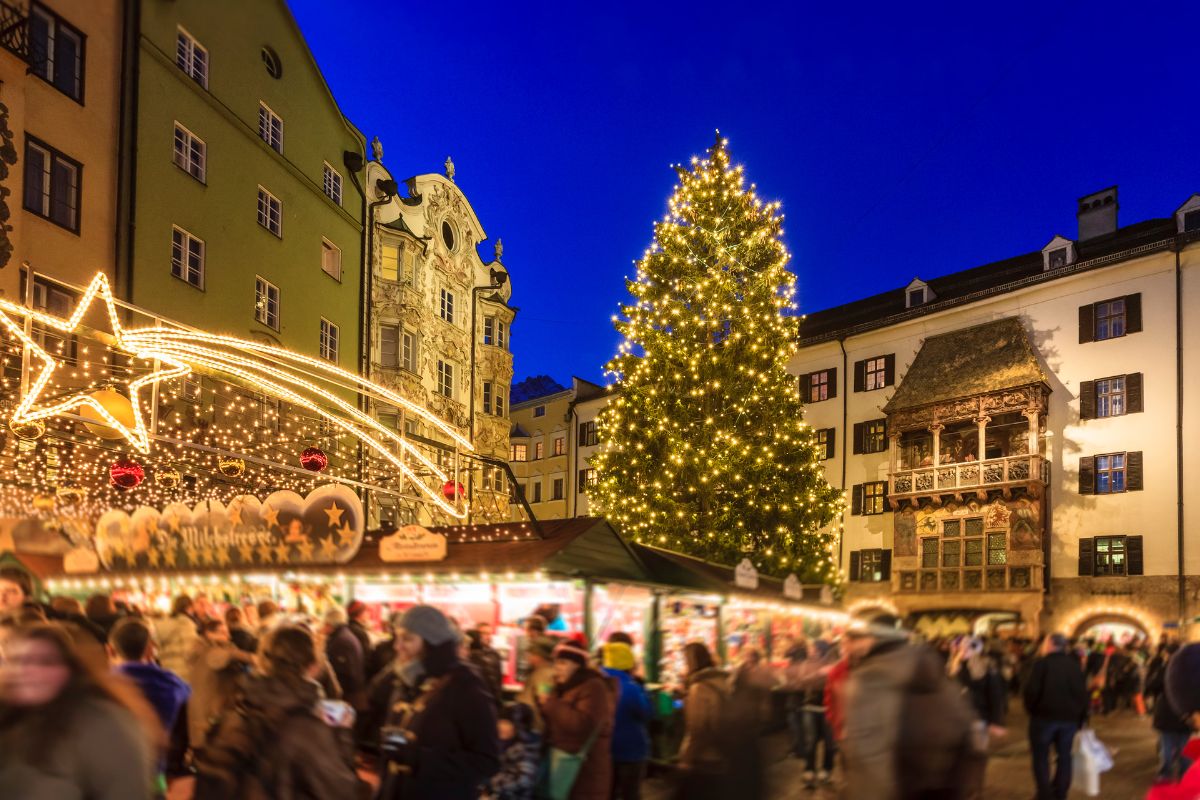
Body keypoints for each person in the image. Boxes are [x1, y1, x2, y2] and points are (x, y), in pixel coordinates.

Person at [194, 624, 369, 799]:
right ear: (313, 666)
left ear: (263, 660)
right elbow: (342, 791)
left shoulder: (230, 718)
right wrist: (342, 736)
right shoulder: (310, 730)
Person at [0, 622, 160, 798]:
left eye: (45, 662)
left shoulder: (104, 724)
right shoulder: (11, 720)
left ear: (70, 669)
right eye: (17, 660)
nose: (27, 671)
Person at [842, 614, 978, 800]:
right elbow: (965, 721)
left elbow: (868, 750)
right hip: (941, 781)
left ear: (872, 638)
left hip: (898, 784)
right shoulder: (930, 662)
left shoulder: (870, 675)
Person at [377, 604, 500, 799]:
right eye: (397, 637)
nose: (397, 646)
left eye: (407, 638)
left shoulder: (465, 685)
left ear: (432, 643)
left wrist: (418, 758)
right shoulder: (407, 680)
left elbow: (486, 761)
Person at [538, 639, 616, 800]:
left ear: (577, 665)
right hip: (563, 764)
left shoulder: (594, 687)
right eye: (556, 663)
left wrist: (551, 704)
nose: (557, 668)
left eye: (563, 663)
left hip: (584, 768)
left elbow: (583, 724)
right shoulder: (562, 687)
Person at [1023, 632, 1089, 800]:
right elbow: (1082, 694)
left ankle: (1044, 794)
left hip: (1044, 718)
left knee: (1040, 758)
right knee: (1064, 757)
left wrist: (1032, 710)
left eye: (1045, 642)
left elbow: (1031, 691)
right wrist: (1082, 718)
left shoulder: (1041, 664)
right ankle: (1060, 793)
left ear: (1051, 644)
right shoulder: (1074, 666)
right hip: (1069, 720)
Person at [187, 618, 254, 755]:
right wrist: (252, 658)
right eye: (223, 633)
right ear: (209, 634)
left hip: (211, 709)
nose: (228, 636)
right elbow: (217, 659)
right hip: (208, 711)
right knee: (210, 749)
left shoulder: (217, 648)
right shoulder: (207, 650)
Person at [675, 641, 732, 800]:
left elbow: (697, 727)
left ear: (692, 661)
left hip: (704, 756)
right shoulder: (725, 681)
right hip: (726, 751)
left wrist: (686, 759)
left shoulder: (699, 687)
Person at [601, 640, 651, 800]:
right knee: (631, 793)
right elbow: (647, 712)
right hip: (630, 751)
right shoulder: (631, 687)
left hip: (604, 750)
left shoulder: (597, 683)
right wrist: (642, 686)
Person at [1147, 642, 1191, 783]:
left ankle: (1166, 774)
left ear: (1168, 654)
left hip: (1167, 712)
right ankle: (1184, 774)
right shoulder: (1191, 669)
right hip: (1186, 713)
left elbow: (1152, 686)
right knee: (1184, 746)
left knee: (1167, 745)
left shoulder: (1165, 669)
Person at [483, 701, 542, 800]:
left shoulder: (527, 749)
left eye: (507, 723)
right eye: (500, 721)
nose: (501, 726)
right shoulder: (503, 743)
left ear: (520, 727)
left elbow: (524, 780)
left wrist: (491, 781)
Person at [323, 607, 365, 711]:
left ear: (329, 624)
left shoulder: (341, 642)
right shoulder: (343, 636)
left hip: (348, 698)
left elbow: (343, 675)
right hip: (350, 696)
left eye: (324, 623)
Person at [517, 635, 558, 732]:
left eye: (531, 653)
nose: (528, 657)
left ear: (539, 656)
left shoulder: (544, 674)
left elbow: (543, 699)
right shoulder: (540, 672)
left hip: (534, 727)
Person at [155, 594, 200, 678]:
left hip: (167, 669)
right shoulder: (186, 624)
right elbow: (190, 650)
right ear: (188, 607)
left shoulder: (163, 624)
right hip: (183, 672)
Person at [467, 624, 505, 705]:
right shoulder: (470, 654)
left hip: (490, 700)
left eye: (489, 633)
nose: (488, 637)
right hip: (478, 700)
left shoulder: (495, 654)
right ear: (477, 635)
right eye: (484, 633)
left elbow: (498, 679)